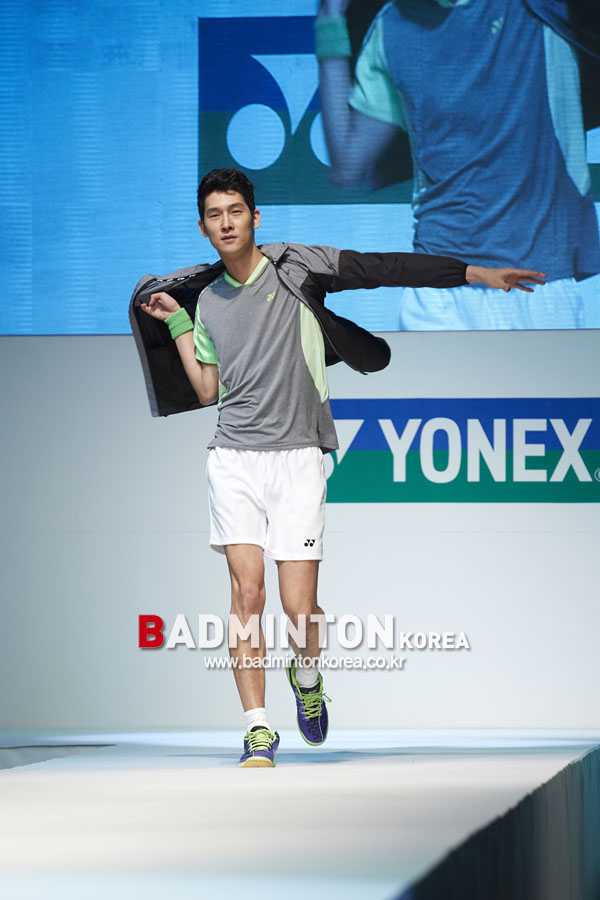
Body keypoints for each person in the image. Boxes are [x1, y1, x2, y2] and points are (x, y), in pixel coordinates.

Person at [135, 167, 544, 767]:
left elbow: (384, 268)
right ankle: (257, 729)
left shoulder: (297, 266)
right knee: (247, 595)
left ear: (254, 217)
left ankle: (307, 678)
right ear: (203, 227)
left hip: (299, 457)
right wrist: (176, 321)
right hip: (234, 459)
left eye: (236, 211)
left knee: (300, 612)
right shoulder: (207, 304)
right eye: (215, 215)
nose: (226, 223)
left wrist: (475, 273)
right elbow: (206, 391)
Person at [317, 0, 600, 329]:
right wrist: (329, 19)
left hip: (540, 286)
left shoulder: (540, 7)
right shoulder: (392, 24)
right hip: (439, 292)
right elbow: (348, 165)